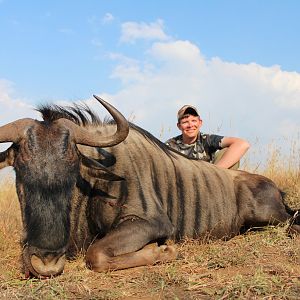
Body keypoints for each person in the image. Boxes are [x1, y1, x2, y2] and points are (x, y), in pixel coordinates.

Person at [166, 105, 250, 170]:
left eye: (194, 121)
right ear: (179, 126)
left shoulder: (207, 139)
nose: (190, 125)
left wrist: (215, 171)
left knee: (226, 152)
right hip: (184, 184)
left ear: (200, 123)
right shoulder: (170, 145)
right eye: (185, 122)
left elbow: (243, 144)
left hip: (208, 181)